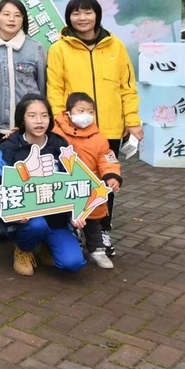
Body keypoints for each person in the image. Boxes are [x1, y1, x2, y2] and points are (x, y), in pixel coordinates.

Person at [46, 0, 141, 255]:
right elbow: (55, 89)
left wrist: (132, 121)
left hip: (109, 128)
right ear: (69, 18)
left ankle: (102, 231)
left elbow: (127, 86)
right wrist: (59, 124)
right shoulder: (59, 49)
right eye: (76, 13)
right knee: (73, 179)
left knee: (106, 181)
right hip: (73, 131)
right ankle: (74, 227)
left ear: (97, 14)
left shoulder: (116, 46)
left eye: (87, 12)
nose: (82, 18)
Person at [0, 94, 87, 276]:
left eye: (44, 115)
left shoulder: (61, 147)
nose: (39, 121)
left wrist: (77, 212)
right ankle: (23, 249)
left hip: (56, 221)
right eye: (32, 116)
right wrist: (11, 215)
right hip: (26, 222)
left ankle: (48, 244)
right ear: (21, 119)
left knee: (73, 263)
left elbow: (76, 184)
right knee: (36, 225)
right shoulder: (7, 151)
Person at [0, 0, 46, 172]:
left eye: (17, 15)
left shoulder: (36, 48)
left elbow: (41, 86)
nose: (12, 19)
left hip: (27, 127)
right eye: (6, 14)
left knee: (28, 174)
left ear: (23, 19)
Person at [53, 92, 123, 269]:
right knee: (67, 217)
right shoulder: (56, 133)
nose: (86, 115)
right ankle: (72, 241)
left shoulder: (98, 137)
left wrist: (112, 175)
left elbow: (107, 158)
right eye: (81, 110)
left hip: (90, 188)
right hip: (66, 187)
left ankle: (98, 250)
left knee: (93, 221)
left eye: (90, 112)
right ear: (68, 113)